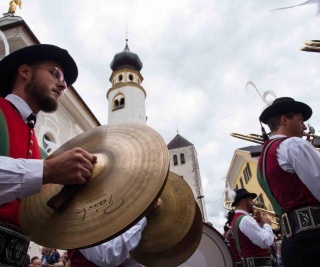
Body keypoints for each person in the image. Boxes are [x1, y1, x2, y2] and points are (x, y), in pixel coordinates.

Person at [0, 44, 97, 266]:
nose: (62, 85)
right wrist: (48, 170)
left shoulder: (37, 143)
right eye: (56, 74)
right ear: (25, 72)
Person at [257, 97, 320, 267]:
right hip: (314, 239)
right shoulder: (293, 144)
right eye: (300, 120)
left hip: (292, 243)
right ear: (285, 120)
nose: (305, 127)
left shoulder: (262, 159)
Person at [230, 188, 274, 267]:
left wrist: (260, 224)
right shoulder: (245, 219)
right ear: (243, 202)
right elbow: (265, 242)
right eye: (250, 200)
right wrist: (267, 224)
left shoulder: (237, 219)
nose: (252, 203)